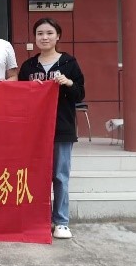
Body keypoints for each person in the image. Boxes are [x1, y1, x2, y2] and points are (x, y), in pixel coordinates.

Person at [18, 17, 85, 239]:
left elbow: (80, 94)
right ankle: (39, 219)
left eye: (49, 33)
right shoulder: (29, 66)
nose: (44, 37)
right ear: (35, 38)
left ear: (58, 36)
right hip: (35, 131)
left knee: (60, 175)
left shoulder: (69, 63)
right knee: (37, 176)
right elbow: (20, 98)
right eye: (40, 34)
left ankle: (61, 221)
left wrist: (68, 83)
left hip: (61, 128)